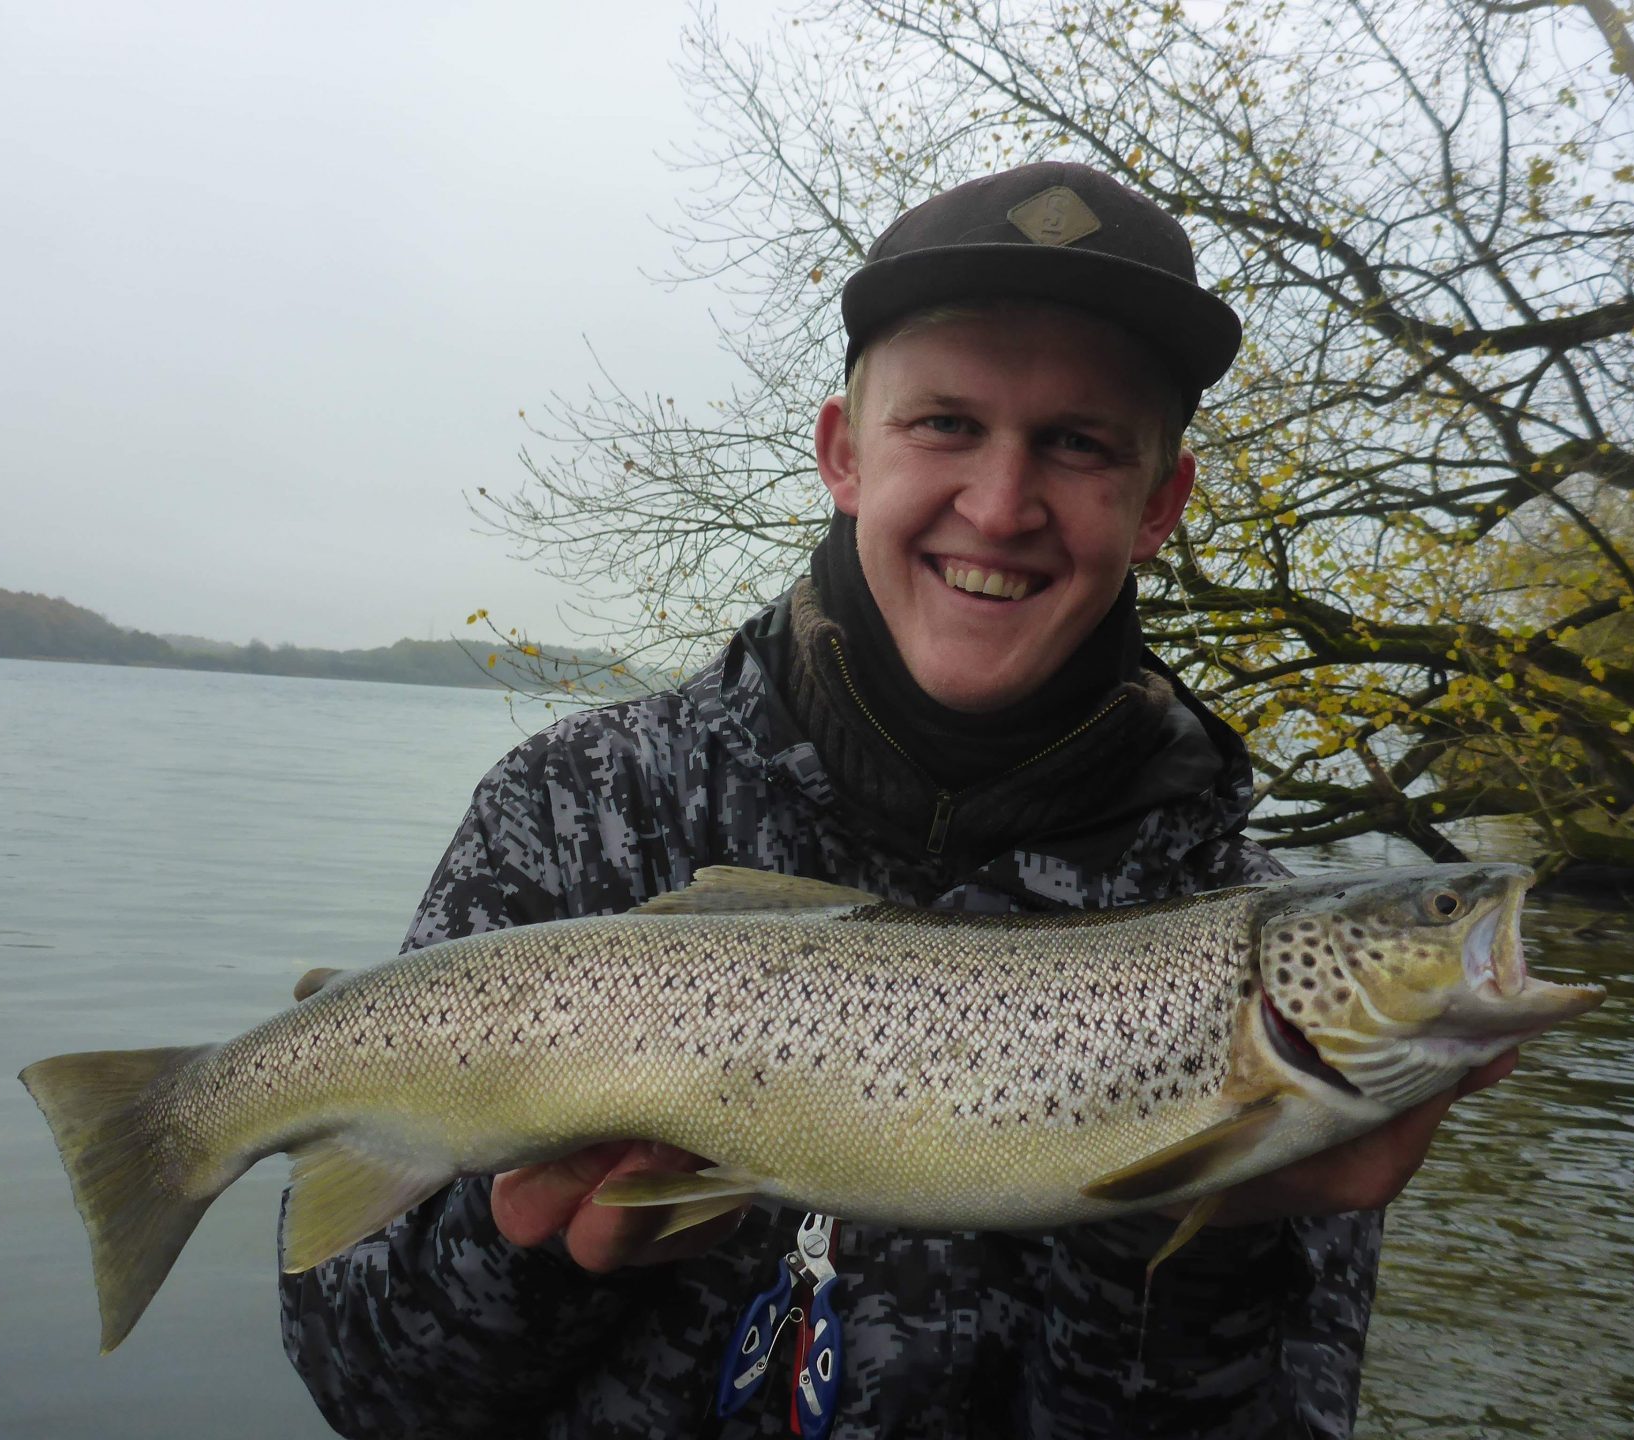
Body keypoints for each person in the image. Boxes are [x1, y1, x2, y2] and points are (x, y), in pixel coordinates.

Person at [278, 162, 1512, 1438]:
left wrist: (1197, 1229)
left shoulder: (1239, 948)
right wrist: (527, 1250)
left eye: (1078, 443)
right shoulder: (575, 806)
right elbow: (366, 1391)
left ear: (1159, 505)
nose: (999, 504)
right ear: (842, 453)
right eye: (945, 425)